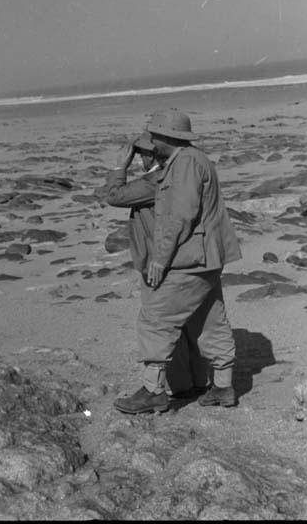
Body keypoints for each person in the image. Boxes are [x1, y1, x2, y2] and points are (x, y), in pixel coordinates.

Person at [113, 108, 242, 414]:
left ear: (167, 137)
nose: (152, 141)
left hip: (191, 259)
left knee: (155, 318)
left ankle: (153, 392)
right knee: (209, 320)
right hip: (207, 257)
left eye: (154, 135)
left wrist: (159, 260)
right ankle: (223, 387)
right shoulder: (192, 160)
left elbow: (179, 216)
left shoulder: (184, 163)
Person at [106, 131, 209, 399]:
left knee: (157, 323)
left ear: (150, 154)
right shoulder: (173, 174)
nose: (138, 158)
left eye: (140, 153)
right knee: (187, 324)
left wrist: (119, 167)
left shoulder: (155, 181)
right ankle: (195, 382)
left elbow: (115, 196)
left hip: (159, 261)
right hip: (172, 259)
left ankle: (164, 389)